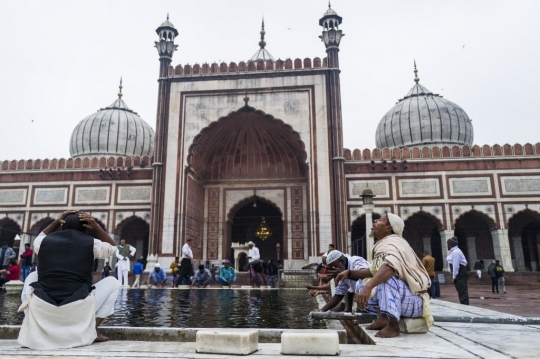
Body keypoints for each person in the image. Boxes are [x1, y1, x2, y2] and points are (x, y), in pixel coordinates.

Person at [18, 211, 118, 348]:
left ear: (62, 227)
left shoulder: (42, 242)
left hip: (44, 306)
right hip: (77, 307)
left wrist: (56, 221)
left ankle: (31, 324)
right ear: (85, 229)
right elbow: (113, 246)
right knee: (113, 283)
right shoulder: (92, 244)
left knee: (31, 276)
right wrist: (96, 226)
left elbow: (39, 236)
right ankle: (93, 329)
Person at [336, 212, 434, 338]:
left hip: (415, 302)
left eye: (380, 220)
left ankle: (393, 326)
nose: (375, 221)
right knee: (362, 281)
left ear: (388, 228)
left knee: (385, 280)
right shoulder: (384, 244)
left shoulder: (395, 243)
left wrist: (369, 287)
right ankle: (383, 317)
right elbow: (371, 271)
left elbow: (389, 267)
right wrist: (349, 273)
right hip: (403, 300)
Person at [446, 236, 469, 305]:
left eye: (447, 244)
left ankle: (465, 307)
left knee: (462, 291)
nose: (447, 245)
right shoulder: (454, 251)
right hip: (460, 272)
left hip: (460, 273)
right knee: (461, 291)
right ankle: (464, 306)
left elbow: (456, 265)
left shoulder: (455, 252)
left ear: (450, 245)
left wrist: (454, 276)